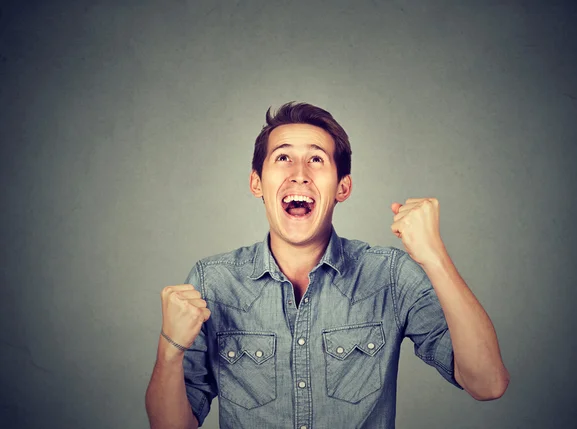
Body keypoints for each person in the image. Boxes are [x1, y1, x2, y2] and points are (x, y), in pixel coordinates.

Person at [145, 102, 510, 429]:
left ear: (342, 187)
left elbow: (488, 384)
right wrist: (169, 349)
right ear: (257, 182)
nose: (299, 173)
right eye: (283, 158)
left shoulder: (390, 276)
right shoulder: (213, 282)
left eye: (317, 159)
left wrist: (435, 257)